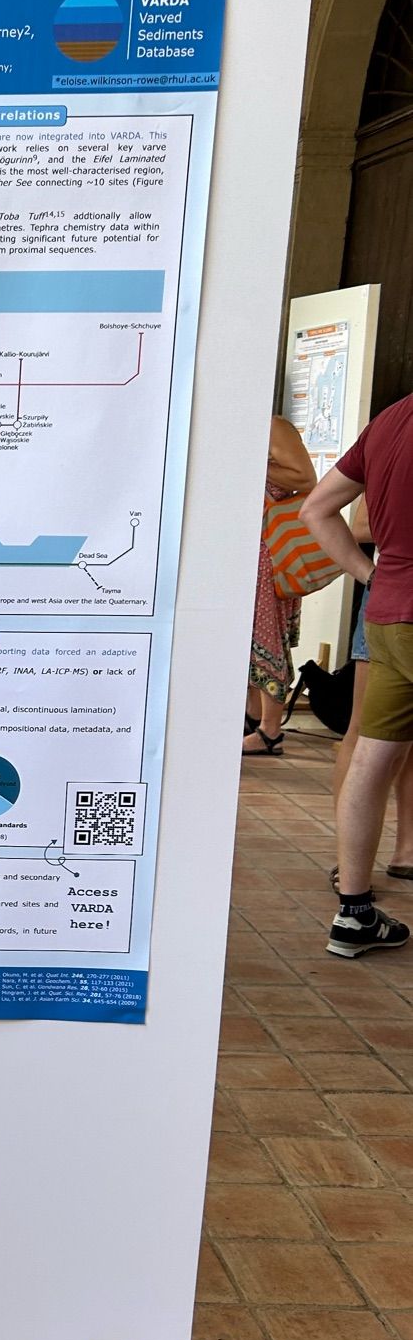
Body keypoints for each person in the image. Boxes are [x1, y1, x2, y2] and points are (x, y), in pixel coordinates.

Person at [303, 392, 413, 956]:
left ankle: (355, 913)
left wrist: (372, 575)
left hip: (390, 612)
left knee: (373, 755)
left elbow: (316, 509)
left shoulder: (391, 419)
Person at [243, 412, 316, 756]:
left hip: (266, 550)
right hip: (243, 548)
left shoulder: (272, 425)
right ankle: (251, 717)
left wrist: (247, 459)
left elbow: (306, 476)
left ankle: (270, 730)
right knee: (243, 640)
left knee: (265, 636)